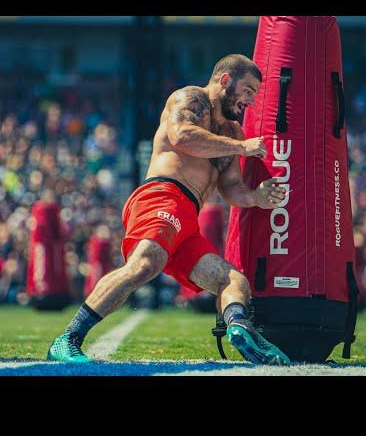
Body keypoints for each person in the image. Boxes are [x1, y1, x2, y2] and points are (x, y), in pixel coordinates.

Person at [47, 54, 290, 365]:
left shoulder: (233, 133)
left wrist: (256, 197)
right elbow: (182, 136)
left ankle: (241, 330)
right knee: (145, 264)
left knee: (234, 282)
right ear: (225, 80)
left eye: (255, 94)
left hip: (188, 219)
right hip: (162, 196)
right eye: (247, 90)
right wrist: (241, 148)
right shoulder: (191, 98)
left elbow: (231, 188)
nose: (250, 101)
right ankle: (67, 339)